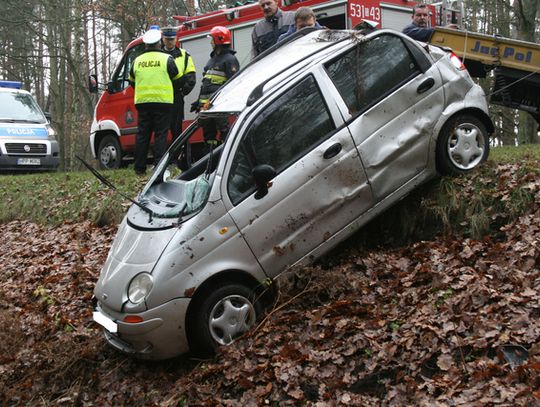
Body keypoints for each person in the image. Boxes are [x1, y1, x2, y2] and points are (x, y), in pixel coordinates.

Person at [129, 26, 180, 176]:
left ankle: (139, 168)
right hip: (163, 102)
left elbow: (132, 81)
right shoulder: (167, 59)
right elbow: (177, 79)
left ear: (145, 44)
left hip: (143, 102)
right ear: (159, 43)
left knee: (142, 135)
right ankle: (158, 166)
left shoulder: (137, 61)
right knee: (161, 134)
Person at [191, 26, 240, 146]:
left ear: (219, 40)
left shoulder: (230, 59)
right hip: (206, 107)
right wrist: (198, 101)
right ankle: (210, 159)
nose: (211, 42)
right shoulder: (211, 60)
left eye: (212, 39)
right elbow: (206, 83)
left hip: (220, 106)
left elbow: (233, 84)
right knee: (208, 136)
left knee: (225, 133)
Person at [161, 26, 197, 141]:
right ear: (163, 39)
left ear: (176, 39)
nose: (170, 42)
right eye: (167, 39)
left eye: (172, 39)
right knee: (161, 129)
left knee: (176, 129)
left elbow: (191, 78)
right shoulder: (158, 54)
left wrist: (182, 93)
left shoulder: (184, 55)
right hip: (160, 96)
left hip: (176, 96)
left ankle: (178, 156)